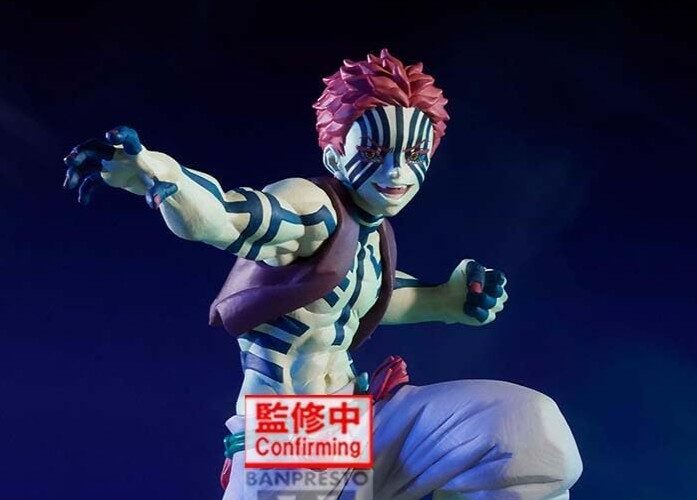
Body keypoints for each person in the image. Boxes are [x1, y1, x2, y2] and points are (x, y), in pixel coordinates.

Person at [63, 49, 582, 499]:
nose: (397, 172)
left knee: (524, 433)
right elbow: (227, 217)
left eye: (413, 154)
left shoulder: (373, 237)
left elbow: (379, 297)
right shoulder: (312, 207)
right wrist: (163, 177)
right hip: (293, 433)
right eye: (375, 152)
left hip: (363, 418)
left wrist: (449, 300)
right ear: (335, 155)